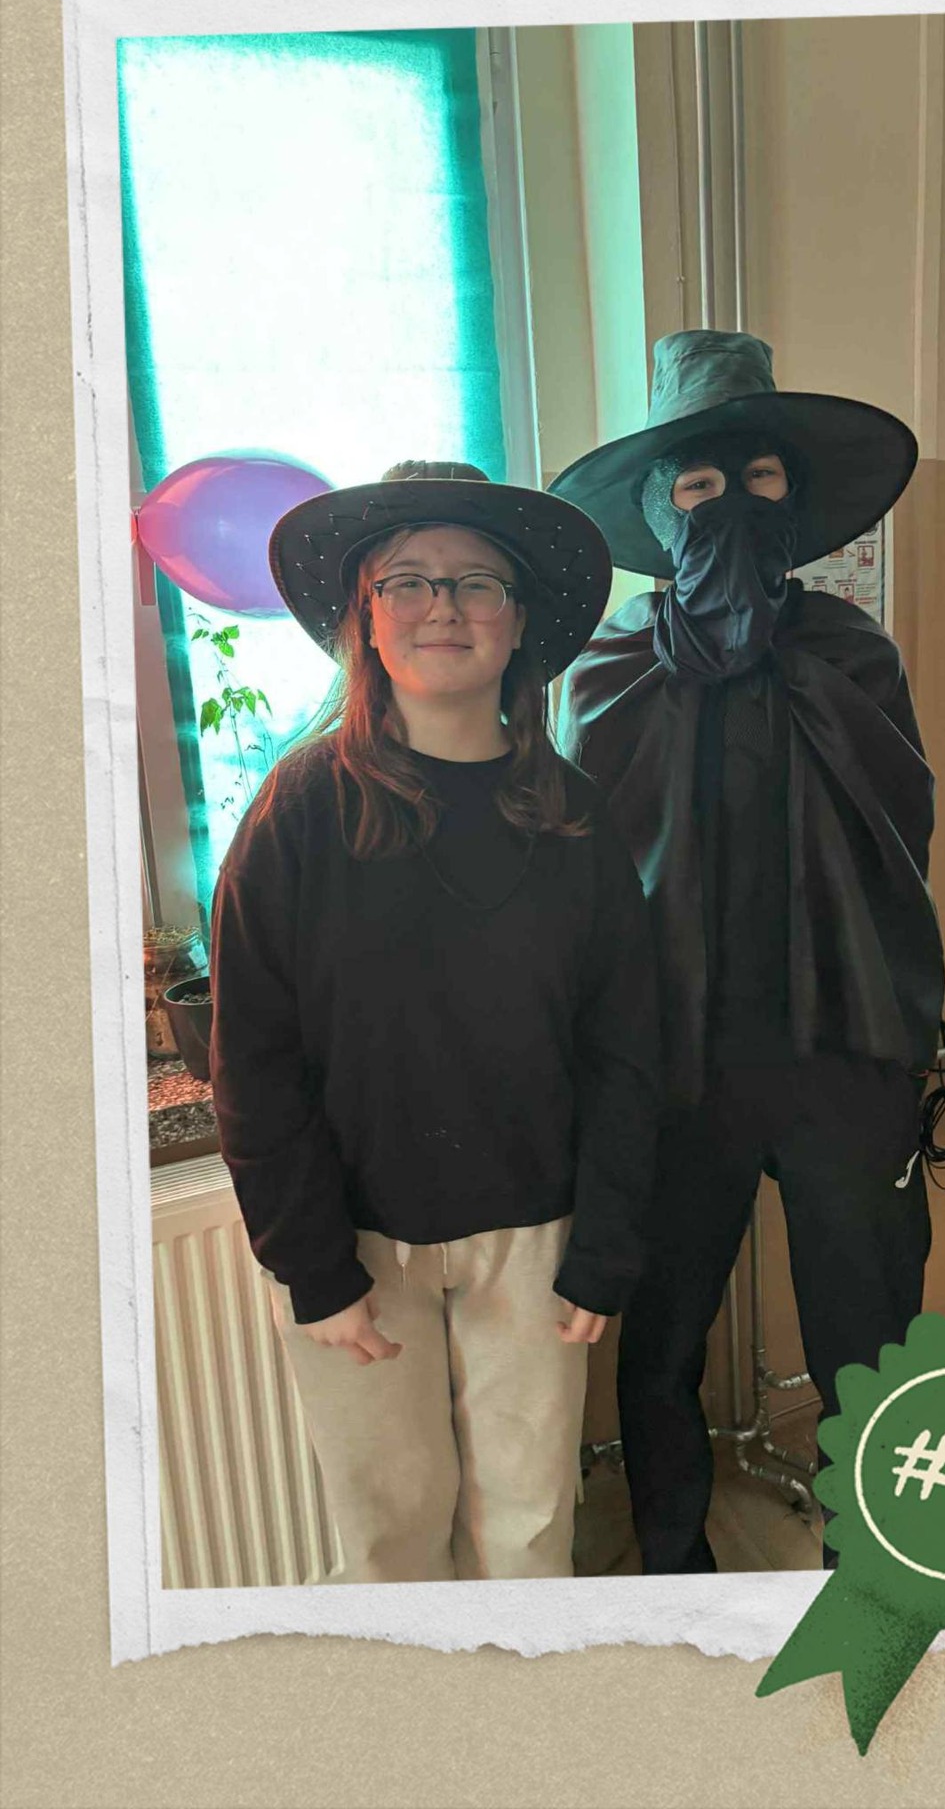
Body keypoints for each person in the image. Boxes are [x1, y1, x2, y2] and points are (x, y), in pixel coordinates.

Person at [209, 460, 661, 1584]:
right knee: (392, 1539)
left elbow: (625, 1046)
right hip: (359, 1243)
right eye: (407, 580)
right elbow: (254, 1055)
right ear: (366, 617)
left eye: (476, 582)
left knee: (529, 1534)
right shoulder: (300, 809)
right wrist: (314, 1265)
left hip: (534, 1239)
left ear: (520, 620)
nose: (443, 606)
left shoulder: (575, 819)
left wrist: (605, 1246)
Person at [550, 331, 945, 1574]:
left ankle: (881, 1558)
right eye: (699, 485)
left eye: (760, 478)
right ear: (659, 508)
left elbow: (903, 838)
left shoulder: (852, 655)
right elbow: (586, 884)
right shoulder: (610, 669)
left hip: (842, 1046)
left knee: (871, 1336)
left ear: (796, 499)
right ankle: (673, 1559)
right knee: (662, 1331)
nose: (731, 504)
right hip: (678, 1068)